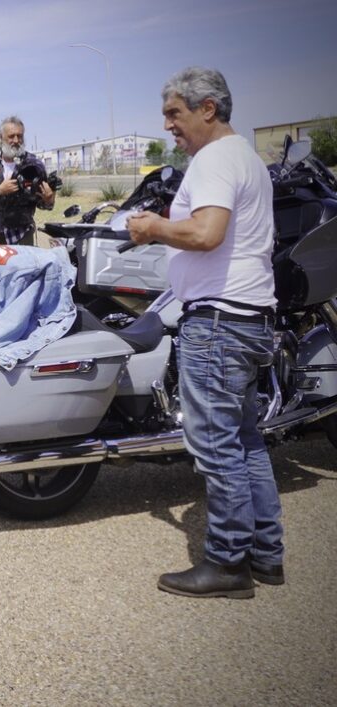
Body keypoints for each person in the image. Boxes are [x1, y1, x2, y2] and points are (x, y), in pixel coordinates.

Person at [127, 67, 283, 599]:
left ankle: (227, 563)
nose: (169, 125)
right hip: (249, 316)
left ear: (207, 109)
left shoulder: (214, 158)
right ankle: (266, 554)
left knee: (216, 447)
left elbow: (206, 233)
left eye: (175, 113)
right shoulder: (246, 156)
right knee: (245, 441)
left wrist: (153, 229)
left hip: (218, 322)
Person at [0, 116, 55, 246]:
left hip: (21, 236)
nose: (16, 140)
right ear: (0, 137)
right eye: (11, 136)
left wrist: (49, 199)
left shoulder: (34, 164)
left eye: (20, 136)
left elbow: (42, 204)